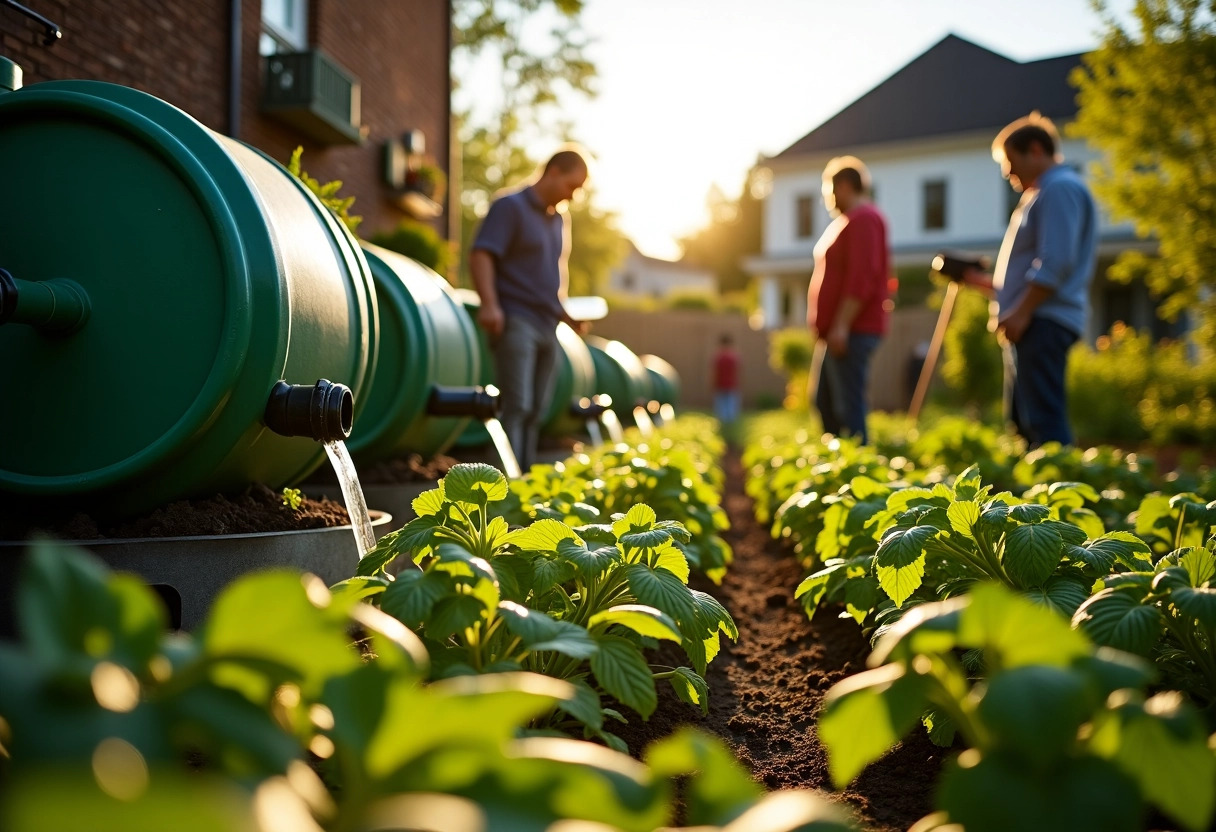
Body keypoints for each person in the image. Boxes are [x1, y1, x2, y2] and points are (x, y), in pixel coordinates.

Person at [961, 113, 1097, 448]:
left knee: (1043, 423)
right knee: (1024, 422)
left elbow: (1056, 261)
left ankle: (1058, 493)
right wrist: (981, 283)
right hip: (1033, 320)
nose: (1007, 172)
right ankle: (1038, 495)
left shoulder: (1060, 188)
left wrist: (1021, 312)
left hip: (1042, 321)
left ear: (1035, 150)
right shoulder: (1041, 193)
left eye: (1010, 162)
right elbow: (1033, 271)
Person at [468, 148, 588, 470]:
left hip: (548, 324)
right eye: (571, 187)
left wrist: (566, 315)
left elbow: (553, 273)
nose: (573, 196)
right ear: (553, 173)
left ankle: (522, 487)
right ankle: (501, 491)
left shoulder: (560, 219)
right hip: (516, 318)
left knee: (536, 410)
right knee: (516, 406)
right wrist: (490, 304)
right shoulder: (510, 207)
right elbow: (482, 255)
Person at [806, 156, 890, 445]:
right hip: (838, 332)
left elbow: (863, 276)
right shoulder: (847, 222)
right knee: (826, 404)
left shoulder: (864, 218)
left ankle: (860, 477)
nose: (827, 197)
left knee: (847, 408)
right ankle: (840, 472)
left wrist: (842, 324)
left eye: (829, 189)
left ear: (843, 186)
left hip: (853, 330)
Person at [712, 334, 741, 426]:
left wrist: (713, 383)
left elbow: (715, 372)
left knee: (723, 405)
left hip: (723, 384)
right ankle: (729, 423)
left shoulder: (719, 357)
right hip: (729, 384)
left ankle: (724, 423)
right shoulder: (734, 357)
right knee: (730, 405)